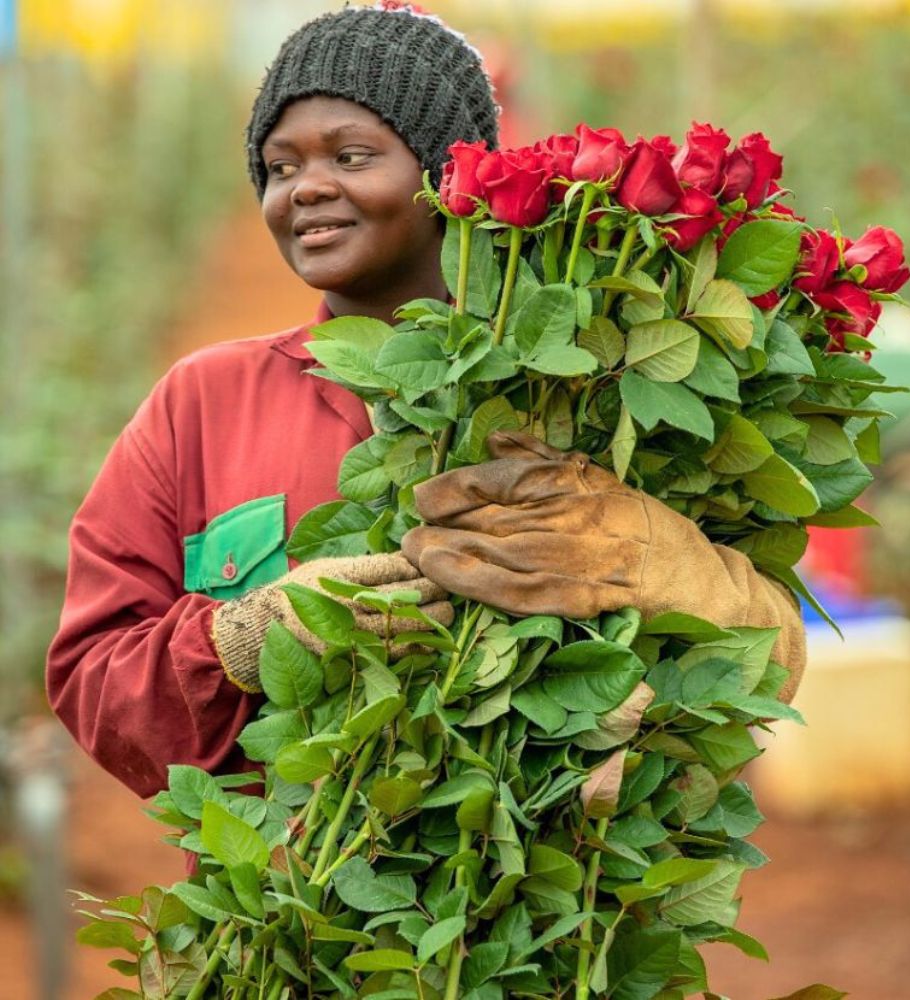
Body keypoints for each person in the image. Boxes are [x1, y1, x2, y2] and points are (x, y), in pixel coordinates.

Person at [46, 3, 805, 803]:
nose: (307, 188)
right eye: (279, 167)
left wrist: (665, 579)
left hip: (560, 896)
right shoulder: (200, 404)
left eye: (350, 154)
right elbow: (91, 681)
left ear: (447, 175)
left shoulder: (578, 390)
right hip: (290, 906)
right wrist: (239, 642)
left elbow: (764, 659)